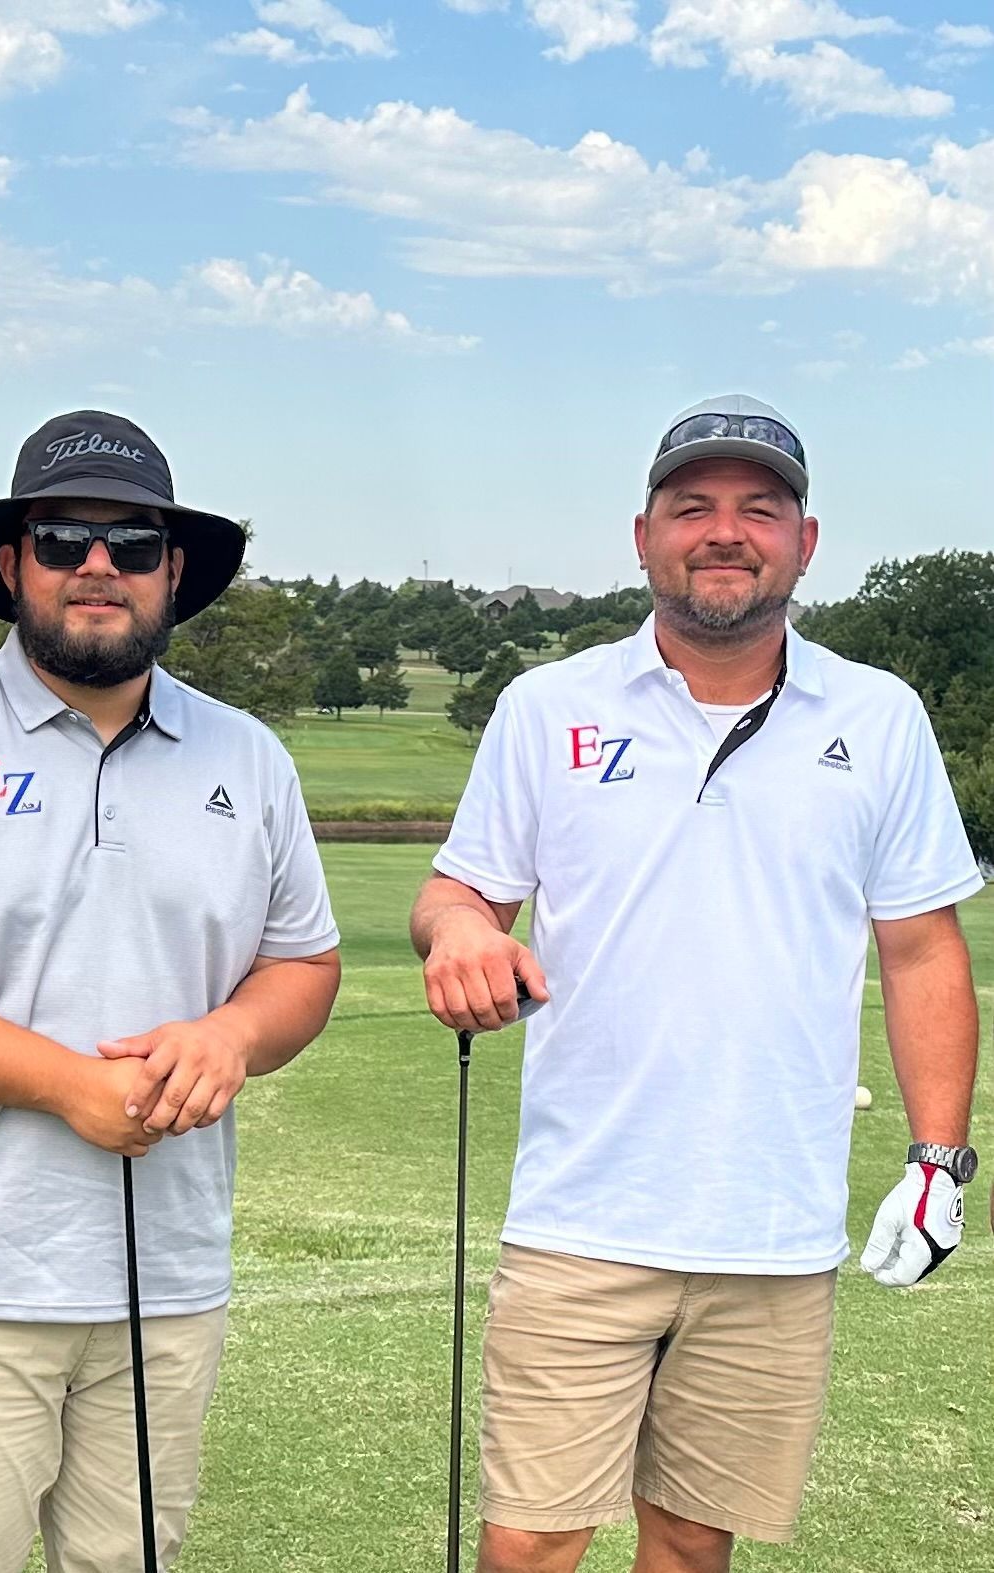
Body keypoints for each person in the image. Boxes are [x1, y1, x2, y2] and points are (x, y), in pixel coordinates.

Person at [410, 395, 982, 1573]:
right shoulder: (547, 706)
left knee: (688, 1541)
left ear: (804, 542)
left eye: (757, 509)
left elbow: (920, 946)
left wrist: (940, 1160)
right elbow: (454, 896)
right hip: (581, 1211)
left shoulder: (879, 718)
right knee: (528, 1541)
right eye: (693, 507)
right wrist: (461, 930)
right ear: (642, 535)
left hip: (770, 1224)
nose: (724, 531)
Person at [0, 411, 341, 1573]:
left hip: (170, 1271)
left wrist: (232, 1037)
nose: (98, 566)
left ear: (173, 572)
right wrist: (69, 1087)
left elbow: (302, 964)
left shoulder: (246, 755)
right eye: (62, 538)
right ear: (12, 567)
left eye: (132, 544)